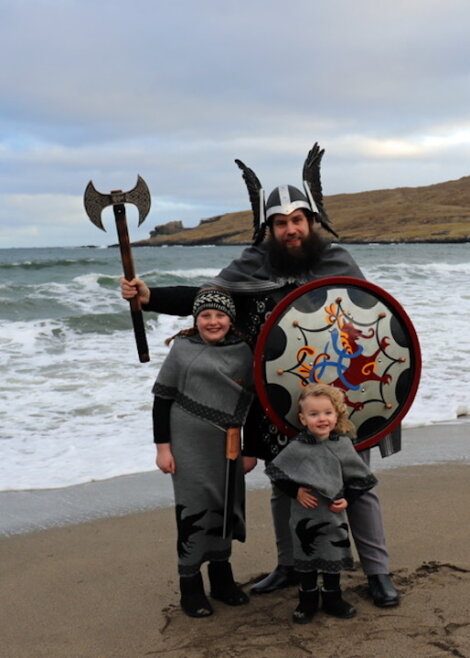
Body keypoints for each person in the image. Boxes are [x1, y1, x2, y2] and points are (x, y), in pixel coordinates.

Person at [120, 142, 400, 608]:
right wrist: (150, 296)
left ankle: (377, 572)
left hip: (338, 400)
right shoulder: (252, 266)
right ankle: (290, 564)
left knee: (355, 482)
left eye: (297, 220)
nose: (290, 229)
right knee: (284, 480)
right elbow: (209, 297)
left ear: (311, 221)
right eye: (281, 222)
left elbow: (373, 323)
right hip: (279, 398)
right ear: (269, 227)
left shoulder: (338, 264)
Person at [152, 287, 253, 618]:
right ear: (195, 320)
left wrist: (250, 450)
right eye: (205, 315)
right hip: (187, 445)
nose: (213, 321)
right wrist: (163, 448)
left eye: (219, 315)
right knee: (193, 510)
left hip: (228, 445)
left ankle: (222, 581)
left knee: (223, 506)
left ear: (230, 319)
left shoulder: (244, 351)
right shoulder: (182, 350)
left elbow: (255, 405)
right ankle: (190, 587)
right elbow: (162, 399)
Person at [265, 383, 378, 624]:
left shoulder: (342, 445)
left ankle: (333, 598)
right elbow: (275, 472)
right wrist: (296, 492)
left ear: (336, 415)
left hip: (332, 514)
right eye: (314, 414)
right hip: (304, 513)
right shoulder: (297, 447)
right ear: (303, 418)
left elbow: (362, 478)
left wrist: (347, 498)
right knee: (306, 557)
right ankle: (306, 601)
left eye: (327, 413)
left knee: (332, 556)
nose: (322, 419)